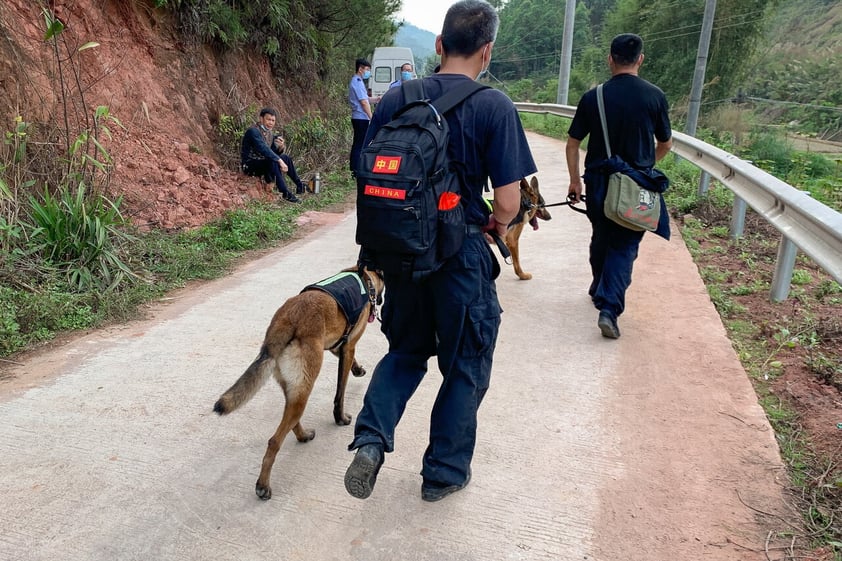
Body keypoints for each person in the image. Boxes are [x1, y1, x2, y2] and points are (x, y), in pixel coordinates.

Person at [344, 0, 536, 503]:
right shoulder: (493, 105)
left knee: (404, 352)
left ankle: (370, 440)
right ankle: (444, 473)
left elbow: (371, 175)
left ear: (438, 45)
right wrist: (494, 223)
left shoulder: (397, 98)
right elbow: (512, 200)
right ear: (487, 50)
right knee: (466, 363)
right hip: (461, 257)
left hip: (402, 255)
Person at [565, 33, 673, 339]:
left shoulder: (593, 97)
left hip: (598, 182)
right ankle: (609, 308)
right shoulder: (654, 96)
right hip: (636, 185)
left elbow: (573, 143)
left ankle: (600, 285)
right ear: (640, 59)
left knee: (602, 234)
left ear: (610, 59)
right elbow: (665, 143)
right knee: (624, 245)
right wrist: (645, 165)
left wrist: (574, 180)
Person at [240, 107, 304, 203]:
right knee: (274, 160)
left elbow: (273, 152)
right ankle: (285, 193)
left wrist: (281, 147)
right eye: (268, 119)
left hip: (263, 163)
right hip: (250, 165)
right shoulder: (253, 131)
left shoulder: (269, 133)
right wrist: (279, 161)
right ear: (261, 119)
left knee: (285, 157)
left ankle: (300, 185)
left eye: (273, 120)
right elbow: (263, 149)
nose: (270, 123)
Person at [348, 58, 380, 176]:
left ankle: (357, 168)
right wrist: (371, 117)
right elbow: (363, 102)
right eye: (367, 69)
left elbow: (366, 99)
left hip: (361, 117)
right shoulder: (356, 81)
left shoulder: (359, 81)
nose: (368, 72)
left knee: (360, 143)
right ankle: (356, 170)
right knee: (359, 144)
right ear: (360, 69)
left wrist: (377, 99)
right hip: (360, 118)